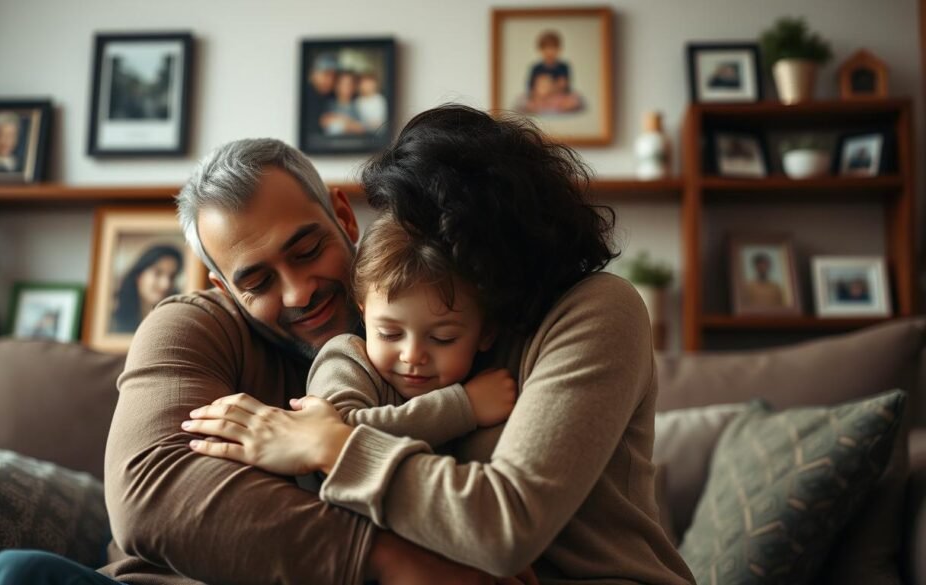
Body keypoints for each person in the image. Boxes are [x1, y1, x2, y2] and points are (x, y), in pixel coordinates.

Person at [0, 137, 521, 584]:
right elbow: (150, 494)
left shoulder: (436, 318)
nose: (299, 291)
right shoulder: (188, 326)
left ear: (344, 219)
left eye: (307, 251)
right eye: (257, 280)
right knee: (16, 575)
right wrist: (392, 561)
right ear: (223, 288)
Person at [184, 105, 696, 583]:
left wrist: (331, 444)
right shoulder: (394, 338)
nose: (415, 248)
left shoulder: (599, 309)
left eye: (427, 228)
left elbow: (506, 526)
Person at [305, 212, 517, 457]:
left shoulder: (485, 381)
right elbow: (331, 434)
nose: (412, 356)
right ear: (364, 315)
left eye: (442, 338)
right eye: (390, 334)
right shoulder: (344, 359)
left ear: (486, 333)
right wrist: (464, 407)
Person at [109, 243, 184, 333]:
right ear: (139, 277)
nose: (166, 285)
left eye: (172, 277)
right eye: (158, 273)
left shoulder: (176, 323)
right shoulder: (114, 323)